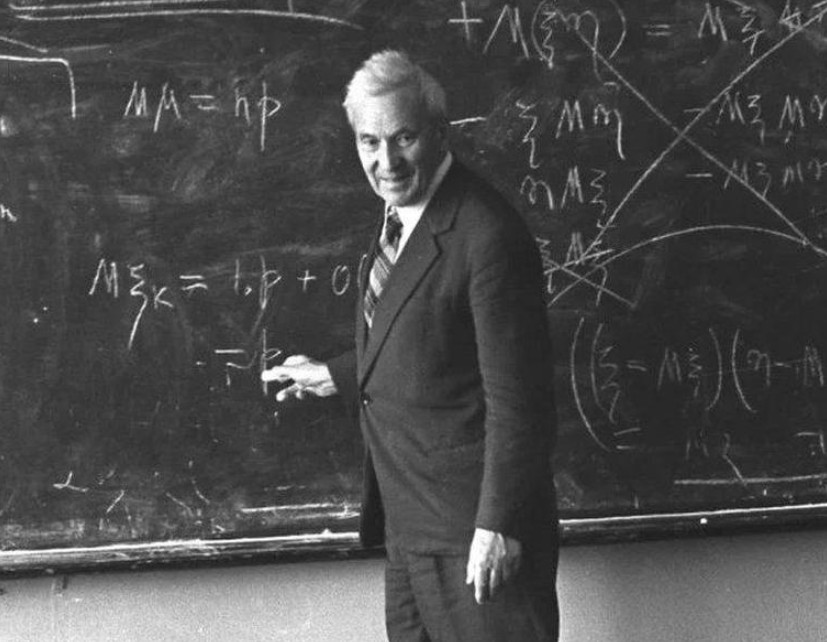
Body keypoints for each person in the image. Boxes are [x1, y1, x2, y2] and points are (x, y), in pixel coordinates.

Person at [262, 50, 559, 642]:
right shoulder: (403, 218)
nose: (386, 161)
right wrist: (337, 374)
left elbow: (522, 401)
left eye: (404, 138)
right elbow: (429, 338)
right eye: (369, 142)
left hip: (474, 539)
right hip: (411, 529)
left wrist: (498, 525)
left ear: (440, 133)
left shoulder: (486, 234)